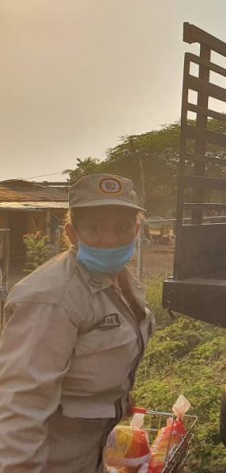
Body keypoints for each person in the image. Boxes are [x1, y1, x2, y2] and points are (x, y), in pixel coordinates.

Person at [0, 174, 152, 473]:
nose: (109, 239)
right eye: (95, 228)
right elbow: (20, 404)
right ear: (71, 233)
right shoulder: (51, 297)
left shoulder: (121, 281)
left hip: (90, 454)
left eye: (121, 227)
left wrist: (120, 396)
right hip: (51, 462)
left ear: (136, 230)